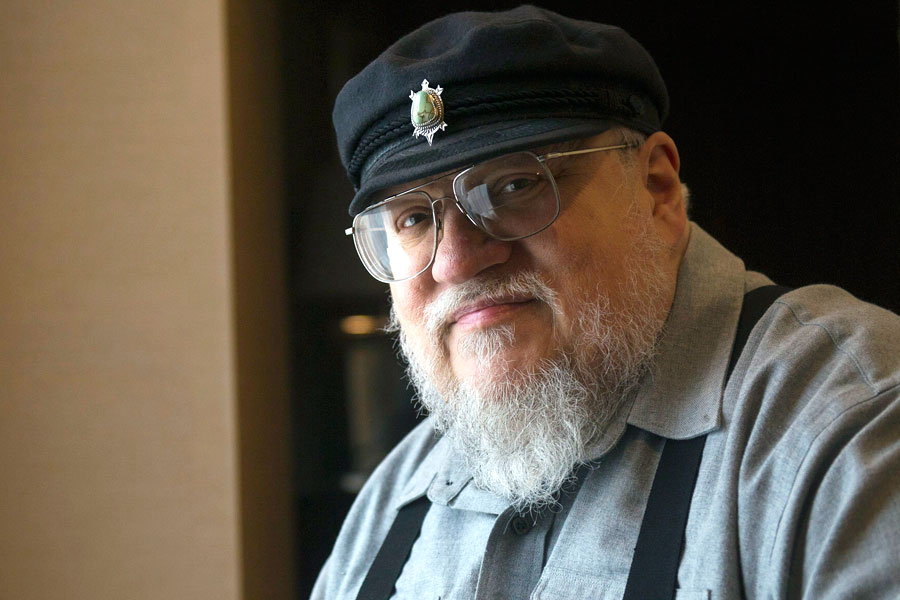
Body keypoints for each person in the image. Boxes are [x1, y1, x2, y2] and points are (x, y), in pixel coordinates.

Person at [314, 6, 900, 599]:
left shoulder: (849, 425)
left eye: (514, 185)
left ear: (657, 189)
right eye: (414, 219)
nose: (455, 262)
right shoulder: (389, 505)